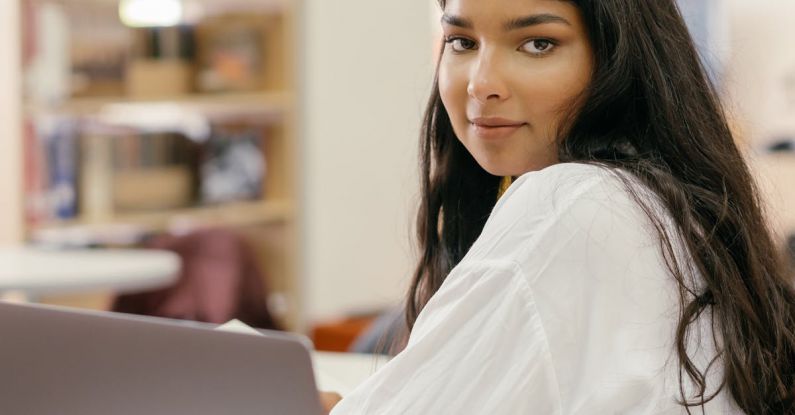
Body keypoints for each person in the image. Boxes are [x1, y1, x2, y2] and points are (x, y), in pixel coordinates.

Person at [324, 0, 795, 413]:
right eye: (462, 42)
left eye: (538, 44)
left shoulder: (574, 203)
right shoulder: (660, 204)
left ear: (618, 58)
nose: (481, 83)